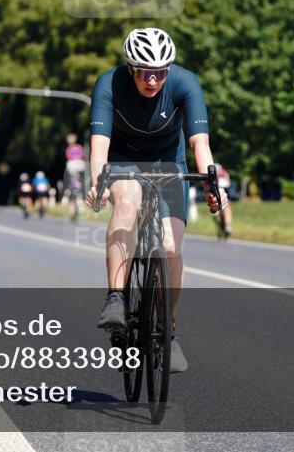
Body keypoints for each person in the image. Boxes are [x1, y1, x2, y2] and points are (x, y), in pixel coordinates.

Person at [85, 27, 223, 373]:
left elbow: (200, 143)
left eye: (160, 72)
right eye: (145, 72)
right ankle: (116, 298)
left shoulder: (185, 82)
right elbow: (99, 145)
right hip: (123, 159)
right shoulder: (108, 84)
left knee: (171, 247)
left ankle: (169, 332)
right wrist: (98, 183)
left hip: (168, 162)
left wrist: (211, 182)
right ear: (130, 68)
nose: (152, 80)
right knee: (127, 201)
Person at [214, 163, 233, 235]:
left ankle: (226, 225)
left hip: (220, 188)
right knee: (226, 206)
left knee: (226, 207)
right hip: (223, 188)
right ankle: (226, 225)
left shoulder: (221, 172)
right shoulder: (224, 172)